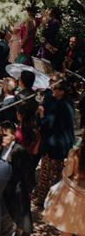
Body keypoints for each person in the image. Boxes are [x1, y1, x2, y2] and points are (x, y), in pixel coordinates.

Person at [35, 79, 75, 208]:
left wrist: (41, 114)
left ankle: (44, 199)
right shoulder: (69, 104)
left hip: (52, 144)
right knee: (56, 173)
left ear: (61, 91)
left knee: (48, 173)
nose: (53, 91)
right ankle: (52, 200)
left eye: (55, 89)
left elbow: (47, 125)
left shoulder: (57, 106)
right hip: (62, 144)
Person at [0, 121, 35, 236]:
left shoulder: (20, 151)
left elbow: (28, 176)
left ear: (13, 135)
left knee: (9, 233)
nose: (2, 138)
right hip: (1, 196)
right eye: (0, 134)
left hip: (14, 197)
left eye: (5, 135)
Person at [43, 143, 85, 236]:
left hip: (72, 194)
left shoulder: (75, 153)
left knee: (66, 226)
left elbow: (68, 173)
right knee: (83, 229)